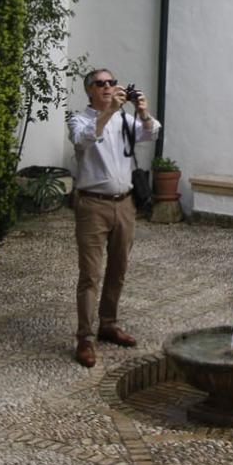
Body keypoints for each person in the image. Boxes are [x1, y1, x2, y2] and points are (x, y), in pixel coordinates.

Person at [66, 67, 160, 367]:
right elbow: (84, 139)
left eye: (111, 83)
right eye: (100, 84)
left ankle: (108, 324)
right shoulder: (78, 119)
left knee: (118, 269)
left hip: (125, 204)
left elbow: (151, 132)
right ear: (89, 90)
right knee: (90, 275)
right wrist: (109, 112)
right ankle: (85, 337)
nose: (107, 87)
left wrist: (142, 112)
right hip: (93, 206)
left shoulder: (123, 118)